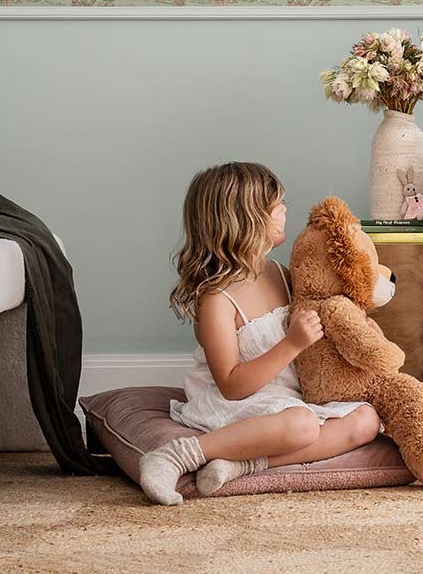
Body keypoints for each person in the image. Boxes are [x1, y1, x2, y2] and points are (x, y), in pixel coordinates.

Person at [139, 162, 381, 505]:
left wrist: (354, 328)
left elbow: (319, 323)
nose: (284, 210)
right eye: (275, 207)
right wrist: (293, 343)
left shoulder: (280, 274)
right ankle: (178, 456)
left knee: (366, 420)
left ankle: (241, 465)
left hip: (287, 400)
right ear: (245, 220)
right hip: (236, 401)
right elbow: (232, 384)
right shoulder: (216, 298)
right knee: (302, 425)